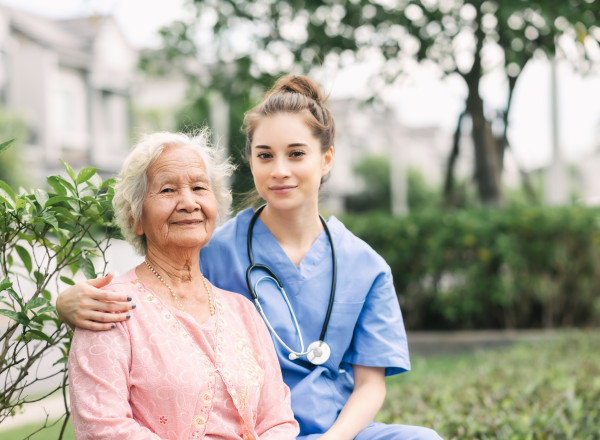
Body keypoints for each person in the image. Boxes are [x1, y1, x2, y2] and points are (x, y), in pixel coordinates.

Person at [59, 76, 442, 440]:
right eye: (265, 155)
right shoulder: (211, 248)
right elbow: (155, 286)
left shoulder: (366, 266)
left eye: (296, 154)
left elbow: (370, 385)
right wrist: (64, 302)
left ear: (326, 159)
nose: (280, 170)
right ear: (251, 161)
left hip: (336, 430)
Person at [67, 130, 299, 440]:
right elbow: (103, 429)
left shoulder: (242, 311)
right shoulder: (108, 309)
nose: (188, 202)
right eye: (167, 190)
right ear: (135, 216)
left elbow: (278, 422)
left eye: (199, 187)